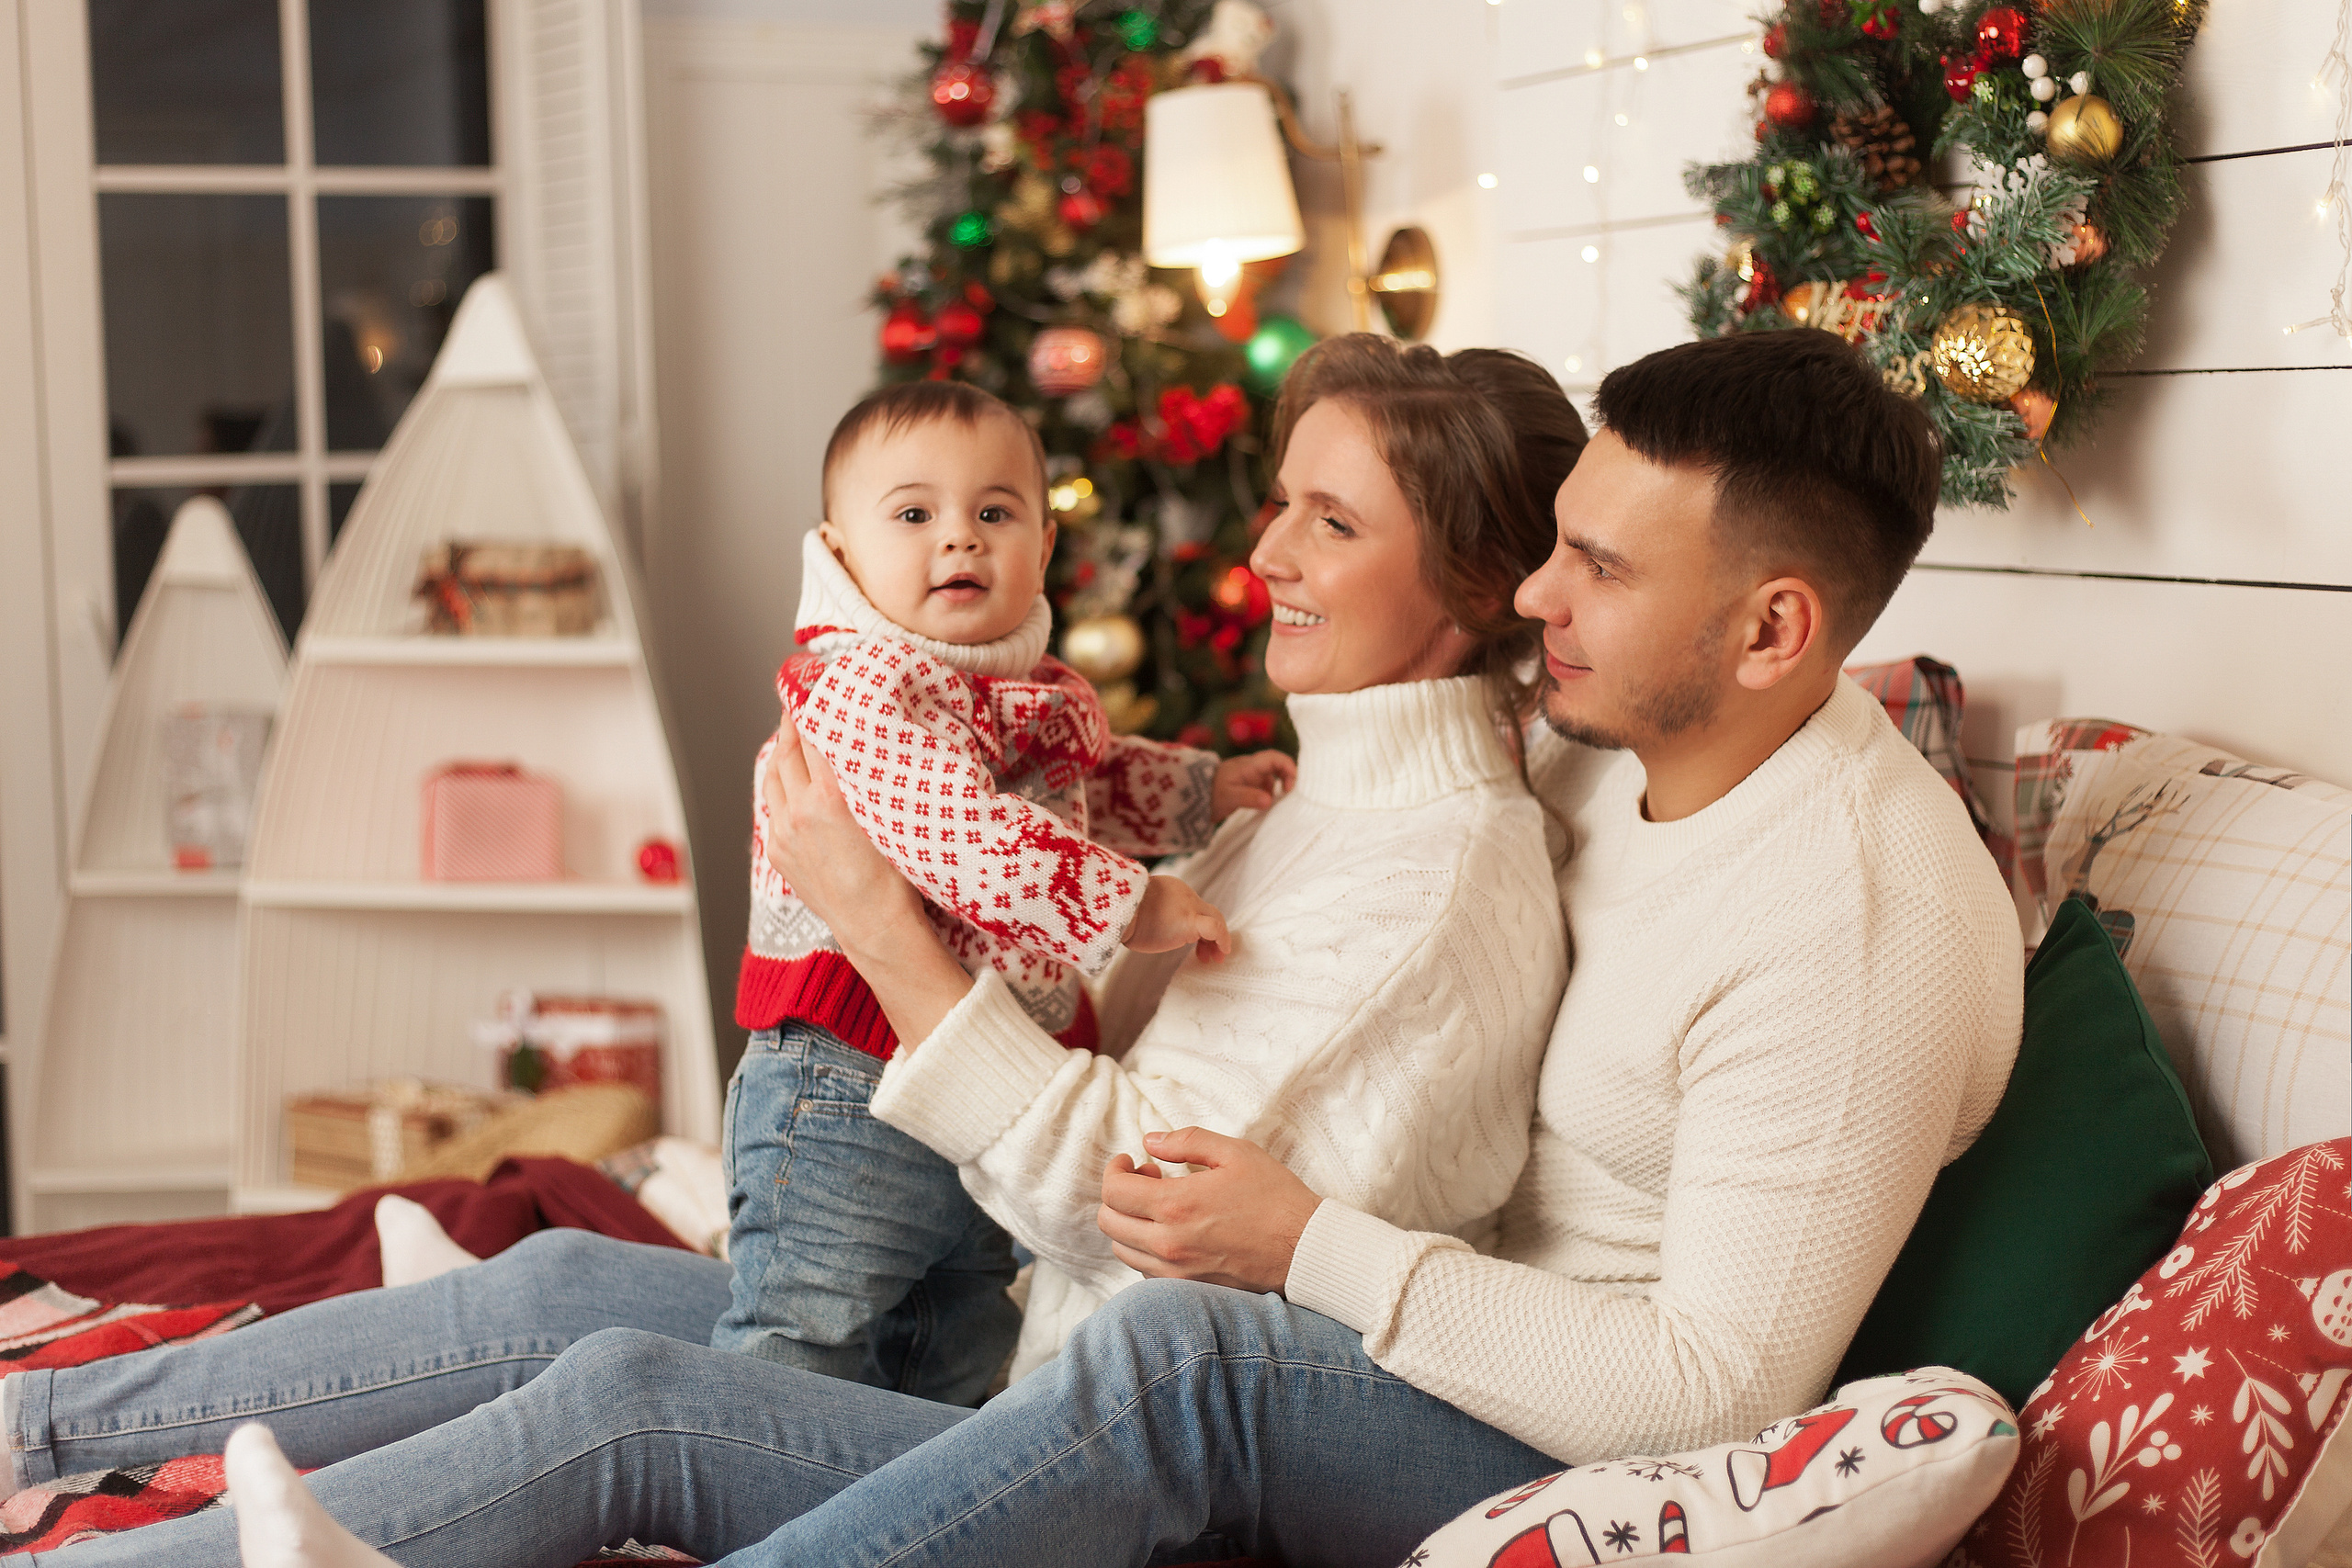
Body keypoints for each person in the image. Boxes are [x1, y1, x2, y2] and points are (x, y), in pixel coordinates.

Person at [11, 334, 1589, 1567]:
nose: (1266, 553)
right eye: (1280, 503)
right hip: (1000, 1257)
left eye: (1329, 519)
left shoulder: (1437, 875)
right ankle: (40, 1419)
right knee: (567, 1269)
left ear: (1468, 580)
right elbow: (1098, 914)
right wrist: (1133, 871)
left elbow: (1127, 1222)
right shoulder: (1317, 800)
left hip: (1067, 1390)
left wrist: (882, 923)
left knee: (637, 1393)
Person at [718, 379, 1291, 1402]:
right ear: (839, 553)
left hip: (982, 1074)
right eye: (913, 514)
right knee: (802, 1329)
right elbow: (960, 833)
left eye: (994, 512)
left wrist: (1202, 792)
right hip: (848, 1077)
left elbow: (1086, 786)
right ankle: (708, 1520)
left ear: (1041, 543)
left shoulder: (1016, 692)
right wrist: (1131, 905)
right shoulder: (859, 684)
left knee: (957, 1346)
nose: (960, 540)